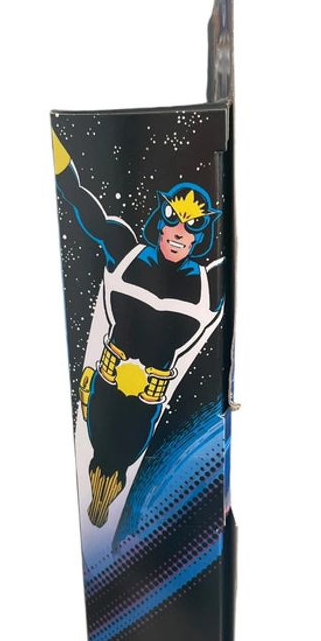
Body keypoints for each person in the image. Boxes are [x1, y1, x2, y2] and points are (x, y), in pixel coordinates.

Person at [53, 130, 224, 527]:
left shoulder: (208, 284)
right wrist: (58, 146)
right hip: (106, 396)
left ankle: (107, 496)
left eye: (192, 226)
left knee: (117, 458)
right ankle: (101, 497)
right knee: (106, 455)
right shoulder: (125, 249)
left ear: (200, 237)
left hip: (142, 409)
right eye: (173, 219)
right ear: (160, 222)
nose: (179, 232)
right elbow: (77, 195)